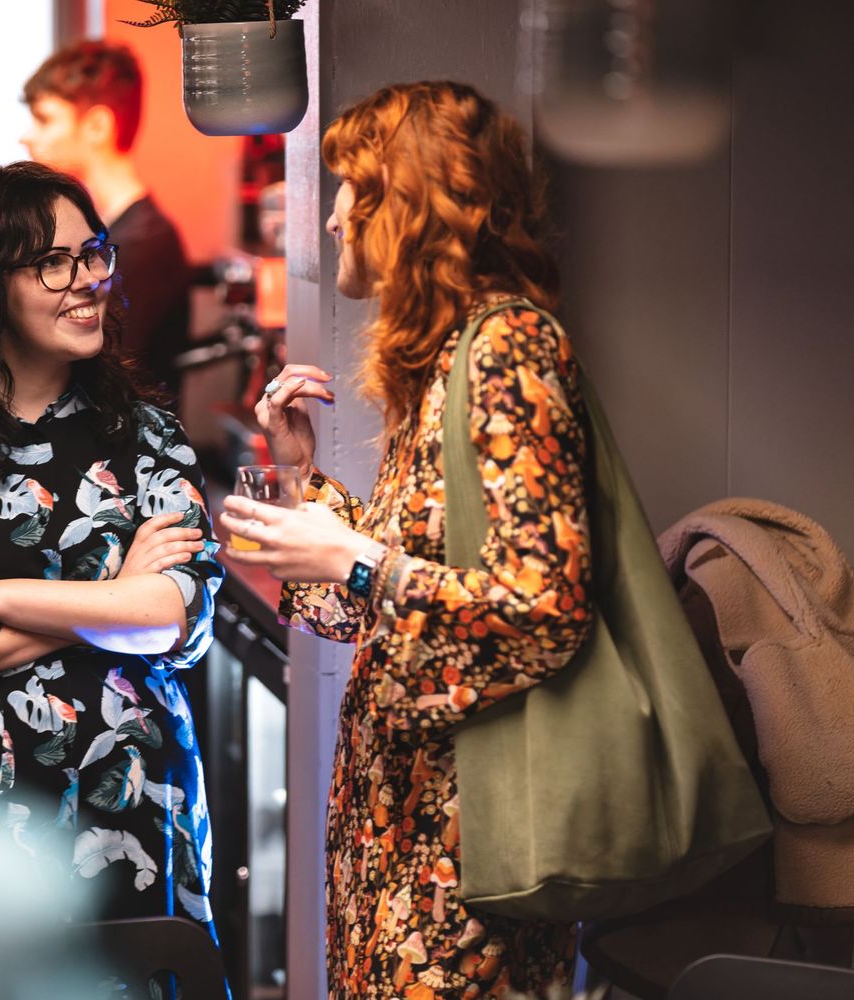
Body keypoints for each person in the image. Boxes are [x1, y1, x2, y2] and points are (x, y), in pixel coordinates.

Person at [220, 81, 596, 998]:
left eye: (352, 188)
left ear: (410, 203)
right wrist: (304, 480)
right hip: (398, 831)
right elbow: (395, 606)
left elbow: (547, 611)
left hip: (462, 848)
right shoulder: (443, 359)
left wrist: (354, 558)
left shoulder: (508, 346)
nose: (335, 217)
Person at [0, 161, 222, 930]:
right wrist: (112, 597)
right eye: (52, 262)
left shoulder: (146, 436)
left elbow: (174, 623)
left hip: (129, 802)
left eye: (93, 252)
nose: (87, 278)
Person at [22, 41, 192, 402]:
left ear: (97, 125)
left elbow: (101, 373)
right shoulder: (108, 235)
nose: (27, 137)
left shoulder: (142, 244)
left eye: (45, 119)